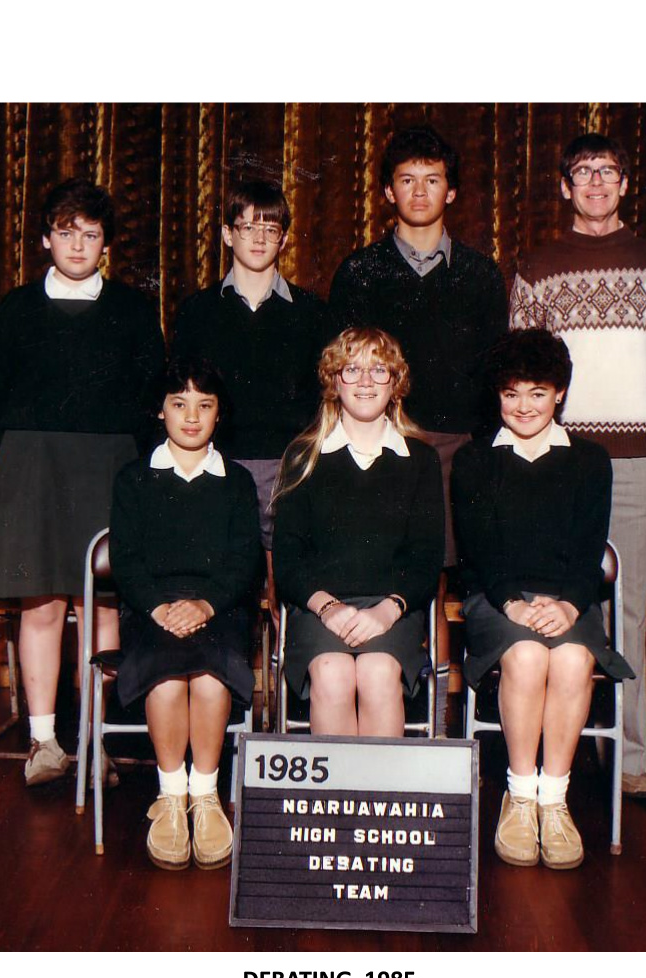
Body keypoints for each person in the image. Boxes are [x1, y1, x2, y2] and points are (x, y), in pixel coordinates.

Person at [509, 132, 646, 800]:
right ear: (565, 187)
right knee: (558, 597)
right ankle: (560, 750)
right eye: (582, 172)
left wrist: (637, 419)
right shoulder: (538, 266)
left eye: (607, 171)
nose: (595, 183)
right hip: (560, 460)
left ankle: (628, 759)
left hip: (635, 456)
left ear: (624, 183)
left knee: (627, 609)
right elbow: (525, 364)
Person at [0, 178, 164, 787]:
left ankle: (94, 740)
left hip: (108, 466)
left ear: (106, 244)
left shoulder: (133, 310)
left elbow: (150, 395)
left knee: (99, 603)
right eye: (66, 232)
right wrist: (37, 439)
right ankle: (44, 742)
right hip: (33, 465)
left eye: (91, 234)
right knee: (41, 602)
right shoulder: (16, 308)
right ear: (45, 240)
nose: (78, 245)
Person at [329, 125, 508, 730]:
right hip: (383, 445)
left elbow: (494, 376)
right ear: (388, 192)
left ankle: (440, 723)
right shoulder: (360, 272)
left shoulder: (481, 275)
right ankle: (391, 715)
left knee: (447, 581)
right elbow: (342, 368)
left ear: (451, 192)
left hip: (457, 448)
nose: (421, 191)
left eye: (433, 179)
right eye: (407, 180)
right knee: (395, 576)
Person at [452, 330, 634, 869]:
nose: (524, 406)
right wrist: (511, 603)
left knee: (573, 658)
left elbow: (589, 549)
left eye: (537, 392)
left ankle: (554, 800)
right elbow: (478, 549)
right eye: (511, 393)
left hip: (567, 600)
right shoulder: (474, 460)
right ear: (498, 395)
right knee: (528, 655)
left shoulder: (589, 460)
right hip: (497, 600)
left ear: (559, 393)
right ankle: (519, 795)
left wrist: (571, 605)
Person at [109, 358, 261, 870]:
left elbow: (244, 560)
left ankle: (206, 794)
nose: (191, 417)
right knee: (168, 679)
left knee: (212, 680)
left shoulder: (236, 481)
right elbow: (126, 559)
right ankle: (172, 795)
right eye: (179, 404)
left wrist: (206, 604)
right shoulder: (134, 478)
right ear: (161, 410)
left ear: (219, 414)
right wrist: (158, 607)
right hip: (151, 608)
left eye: (204, 405)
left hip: (219, 606)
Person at [272, 327, 444, 737]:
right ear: (334, 381)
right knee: (332, 673)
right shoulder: (303, 456)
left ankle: (381, 783)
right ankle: (337, 783)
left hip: (392, 610)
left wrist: (387, 610)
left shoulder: (420, 459)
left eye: (378, 370)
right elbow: (288, 560)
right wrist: (329, 608)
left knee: (378, 671)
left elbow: (426, 557)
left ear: (395, 383)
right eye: (352, 369)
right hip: (320, 609)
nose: (365, 381)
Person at [170, 179, 327, 622]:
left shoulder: (312, 313)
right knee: (220, 599)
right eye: (248, 227)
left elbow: (324, 400)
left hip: (290, 472)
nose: (259, 239)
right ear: (227, 234)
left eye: (270, 229)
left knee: (287, 602)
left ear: (284, 239)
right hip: (219, 468)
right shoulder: (198, 311)